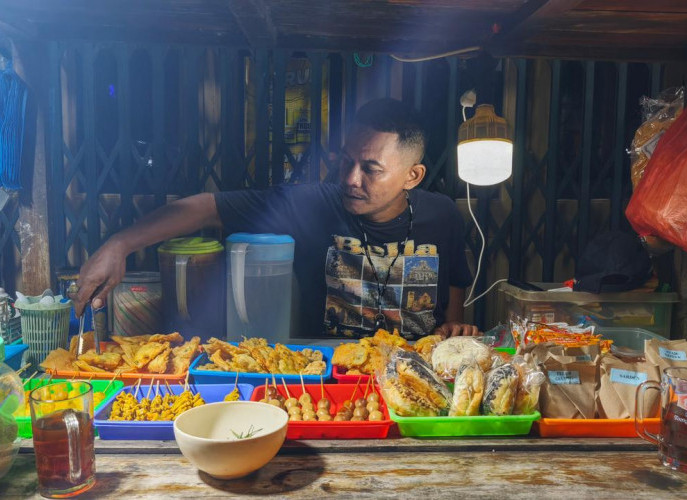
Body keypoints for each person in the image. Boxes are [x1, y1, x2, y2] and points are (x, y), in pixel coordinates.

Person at [74, 98, 478, 339]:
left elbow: (453, 301)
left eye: (371, 169)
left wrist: (455, 332)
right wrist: (119, 244)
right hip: (327, 377)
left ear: (413, 176)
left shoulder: (441, 216)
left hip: (415, 377)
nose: (350, 179)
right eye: (346, 162)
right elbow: (207, 208)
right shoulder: (313, 205)